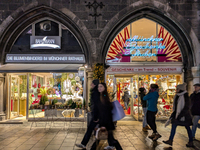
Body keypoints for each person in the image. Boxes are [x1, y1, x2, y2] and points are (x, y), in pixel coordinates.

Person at [91, 83, 122, 150]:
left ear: (104, 88)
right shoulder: (102, 96)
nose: (99, 88)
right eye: (98, 86)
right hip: (105, 121)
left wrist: (103, 124)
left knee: (109, 139)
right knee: (105, 138)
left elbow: (105, 111)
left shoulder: (104, 97)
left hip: (106, 122)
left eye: (101, 87)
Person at [163, 83, 194, 147]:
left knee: (188, 128)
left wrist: (180, 115)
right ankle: (170, 140)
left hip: (185, 116)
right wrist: (174, 114)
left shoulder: (186, 96)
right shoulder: (177, 96)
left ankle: (191, 141)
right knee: (173, 126)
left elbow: (186, 107)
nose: (176, 90)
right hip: (177, 114)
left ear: (181, 89)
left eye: (177, 89)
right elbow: (175, 106)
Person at [75, 79, 100, 149]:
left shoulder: (95, 93)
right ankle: (84, 143)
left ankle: (112, 143)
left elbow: (95, 105)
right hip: (97, 115)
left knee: (91, 129)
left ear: (94, 84)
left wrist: (95, 117)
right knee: (91, 129)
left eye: (92, 83)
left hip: (96, 115)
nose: (90, 84)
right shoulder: (97, 92)